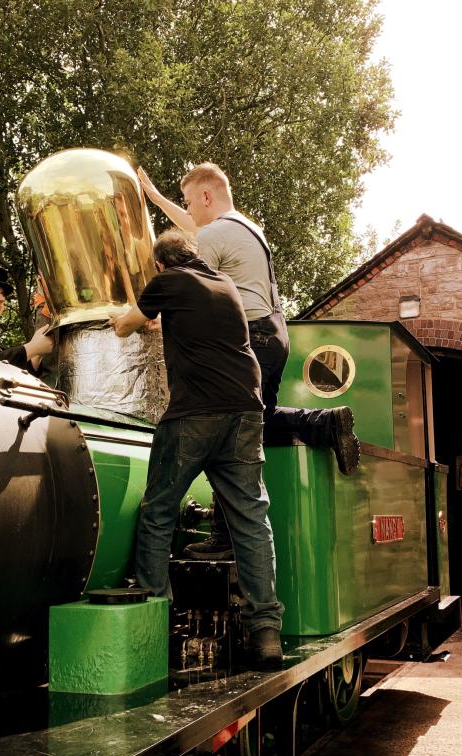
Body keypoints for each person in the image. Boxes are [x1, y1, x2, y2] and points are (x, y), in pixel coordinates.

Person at [138, 164, 360, 556]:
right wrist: (156, 198)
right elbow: (194, 227)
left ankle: (225, 539)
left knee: (229, 429)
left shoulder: (212, 235)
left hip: (250, 335)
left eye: (191, 201)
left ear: (207, 196)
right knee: (255, 420)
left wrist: (153, 316)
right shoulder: (243, 227)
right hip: (276, 332)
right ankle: (322, 422)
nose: (189, 211)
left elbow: (187, 274)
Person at [109, 230, 284, 670]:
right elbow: (186, 322)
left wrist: (117, 313)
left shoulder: (169, 281)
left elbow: (126, 326)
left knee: (159, 509)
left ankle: (156, 616)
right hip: (246, 410)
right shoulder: (224, 285)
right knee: (250, 520)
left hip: (195, 414)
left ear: (161, 266)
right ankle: (266, 630)